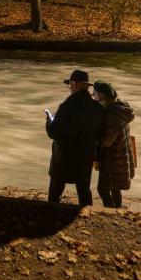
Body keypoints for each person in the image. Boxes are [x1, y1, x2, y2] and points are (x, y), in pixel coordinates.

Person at [46, 69, 103, 207]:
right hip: (85, 155)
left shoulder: (67, 106)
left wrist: (49, 120)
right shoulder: (96, 107)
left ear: (73, 84)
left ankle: (50, 209)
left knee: (56, 186)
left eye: (70, 85)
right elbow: (99, 132)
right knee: (83, 189)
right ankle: (87, 212)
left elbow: (53, 132)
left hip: (64, 156)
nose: (69, 88)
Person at [93, 81, 135, 208]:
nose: (93, 96)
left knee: (103, 189)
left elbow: (106, 142)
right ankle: (117, 208)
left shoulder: (111, 114)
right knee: (115, 188)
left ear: (100, 96)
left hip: (112, 159)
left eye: (94, 93)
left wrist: (94, 139)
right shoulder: (121, 107)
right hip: (123, 155)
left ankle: (111, 212)